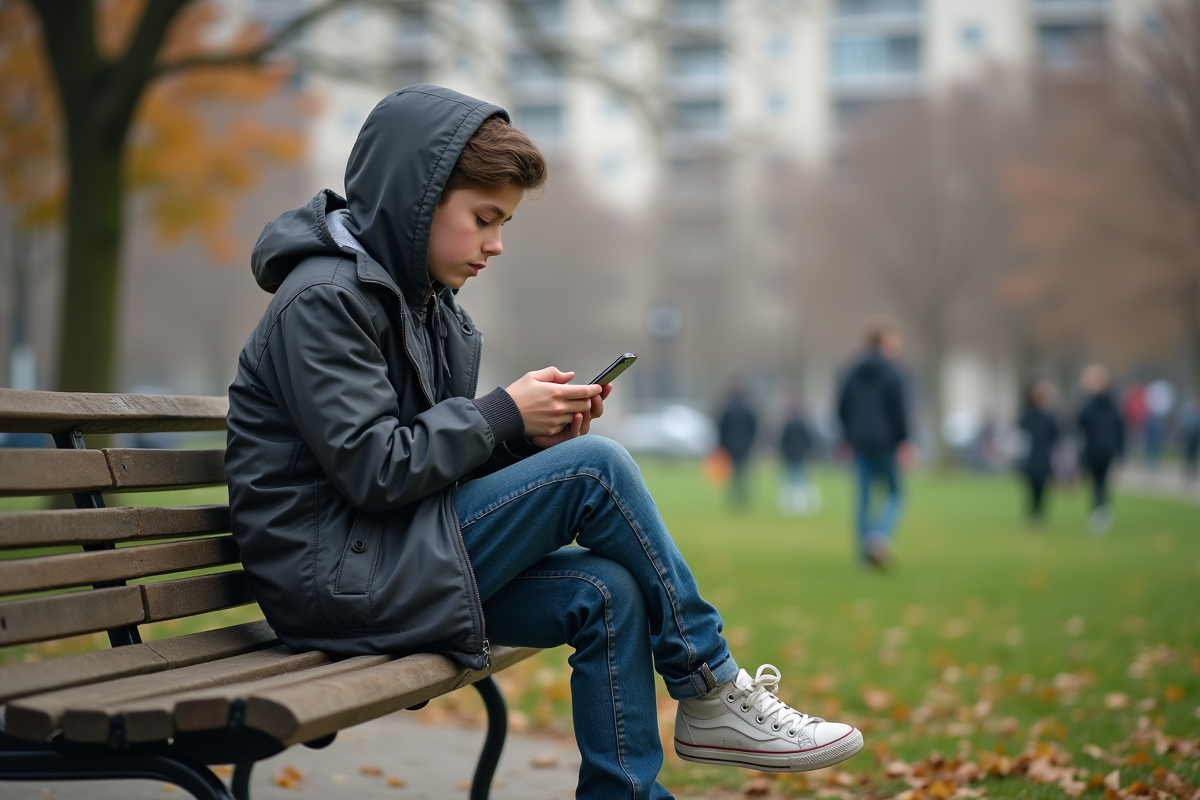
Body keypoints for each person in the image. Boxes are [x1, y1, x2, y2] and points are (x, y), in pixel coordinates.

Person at [224, 86, 862, 799]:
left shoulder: (424, 307)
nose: (496, 244)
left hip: (389, 557)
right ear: (416, 201)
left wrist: (526, 437)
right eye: (484, 219)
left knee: (606, 588)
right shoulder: (324, 300)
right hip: (338, 581)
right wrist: (503, 414)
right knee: (597, 468)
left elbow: (422, 467)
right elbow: (376, 469)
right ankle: (710, 684)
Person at [836, 321, 912, 568]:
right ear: (884, 342)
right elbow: (898, 411)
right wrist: (904, 441)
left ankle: (864, 559)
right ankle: (878, 538)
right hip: (885, 441)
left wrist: (848, 435)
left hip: (859, 441)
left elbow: (842, 406)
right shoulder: (892, 372)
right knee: (895, 494)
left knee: (864, 499)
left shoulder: (852, 370)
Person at [1077, 364, 1125, 534]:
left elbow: (1081, 428)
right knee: (1100, 482)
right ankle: (1101, 511)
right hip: (1104, 448)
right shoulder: (1109, 405)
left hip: (1097, 449)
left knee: (1098, 482)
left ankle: (1100, 513)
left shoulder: (1089, 406)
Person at [1017, 380, 1059, 527]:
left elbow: (1055, 438)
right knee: (1031, 489)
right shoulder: (1027, 417)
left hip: (1044, 458)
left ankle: (1039, 515)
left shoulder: (1050, 417)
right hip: (1030, 458)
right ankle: (1033, 515)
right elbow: (1019, 438)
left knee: (1042, 488)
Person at [717, 383, 759, 509]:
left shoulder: (727, 409)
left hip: (730, 445)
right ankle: (742, 497)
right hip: (744, 445)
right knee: (742, 472)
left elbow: (721, 427)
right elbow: (753, 426)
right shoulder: (747, 409)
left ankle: (733, 497)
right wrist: (750, 440)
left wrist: (722, 444)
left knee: (732, 473)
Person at [777, 398, 821, 516]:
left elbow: (783, 441)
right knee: (800, 480)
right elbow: (808, 439)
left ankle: (792, 505)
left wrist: (783, 452)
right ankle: (800, 505)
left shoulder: (788, 424)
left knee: (792, 479)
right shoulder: (802, 424)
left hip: (790, 455)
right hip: (800, 454)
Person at [1180, 393, 1200, 480]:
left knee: (1194, 453)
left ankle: (1193, 471)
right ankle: (1187, 470)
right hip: (1189, 433)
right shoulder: (1188, 407)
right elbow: (1184, 420)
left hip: (1195, 434)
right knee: (1188, 453)